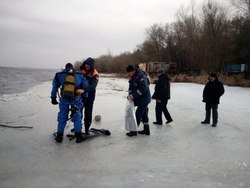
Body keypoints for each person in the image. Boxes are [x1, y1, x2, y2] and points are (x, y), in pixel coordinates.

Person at [51, 63, 89, 143]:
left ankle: (59, 136)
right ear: (73, 68)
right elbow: (85, 86)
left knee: (62, 115)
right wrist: (85, 95)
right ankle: (78, 135)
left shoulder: (60, 74)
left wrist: (53, 98)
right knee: (77, 115)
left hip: (64, 99)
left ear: (65, 68)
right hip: (76, 98)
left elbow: (54, 87)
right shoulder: (79, 74)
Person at [126, 65, 151, 136]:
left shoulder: (141, 76)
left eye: (129, 73)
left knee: (138, 114)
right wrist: (129, 96)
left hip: (144, 99)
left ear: (133, 71)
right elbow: (131, 88)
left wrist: (133, 96)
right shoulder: (132, 78)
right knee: (144, 115)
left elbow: (144, 88)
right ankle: (146, 130)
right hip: (141, 99)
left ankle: (134, 131)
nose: (128, 74)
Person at [79, 57, 99, 135]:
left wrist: (84, 90)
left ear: (91, 65)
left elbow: (93, 86)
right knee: (78, 113)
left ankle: (87, 129)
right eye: (86, 64)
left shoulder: (95, 74)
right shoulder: (81, 71)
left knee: (88, 114)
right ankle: (78, 128)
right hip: (80, 97)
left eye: (88, 65)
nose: (86, 66)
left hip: (90, 97)